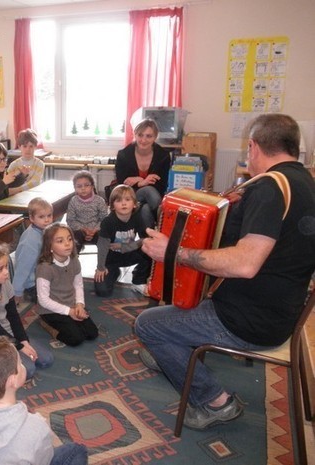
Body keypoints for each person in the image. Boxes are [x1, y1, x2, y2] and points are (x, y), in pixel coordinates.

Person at [135, 113, 315, 431]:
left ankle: (216, 401)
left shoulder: (270, 189)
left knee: (147, 325)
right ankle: (171, 352)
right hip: (281, 309)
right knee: (178, 308)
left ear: (253, 146)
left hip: (247, 320)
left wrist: (175, 253)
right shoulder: (304, 183)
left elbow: (245, 265)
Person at [0, 336, 88, 465]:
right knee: (77, 450)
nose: (23, 365)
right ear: (12, 381)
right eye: (20, 364)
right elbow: (44, 461)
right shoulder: (35, 427)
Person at [0, 243, 54, 380]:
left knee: (46, 360)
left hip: (8, 334)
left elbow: (13, 316)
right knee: (28, 371)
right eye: (0, 269)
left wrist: (23, 341)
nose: (6, 272)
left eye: (6, 267)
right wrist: (19, 347)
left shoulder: (5, 283)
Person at [36, 223, 98, 346]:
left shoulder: (74, 261)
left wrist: (80, 305)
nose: (67, 243)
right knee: (75, 339)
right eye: (60, 241)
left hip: (71, 304)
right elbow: (43, 300)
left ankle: (72, 317)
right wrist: (69, 312)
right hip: (50, 310)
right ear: (50, 246)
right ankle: (44, 322)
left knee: (92, 333)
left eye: (69, 239)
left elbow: (78, 285)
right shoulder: (45, 268)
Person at [94, 184, 151, 297]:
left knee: (150, 250)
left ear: (134, 204)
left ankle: (138, 281)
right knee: (102, 291)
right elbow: (102, 246)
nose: (123, 203)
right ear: (113, 206)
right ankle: (114, 272)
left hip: (129, 253)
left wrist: (124, 247)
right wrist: (100, 267)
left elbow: (146, 239)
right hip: (111, 259)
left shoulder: (137, 218)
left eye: (127, 200)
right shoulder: (108, 222)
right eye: (118, 200)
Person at [115, 118, 171, 229]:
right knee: (149, 190)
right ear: (135, 134)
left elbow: (161, 185)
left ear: (155, 137)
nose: (143, 140)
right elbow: (122, 184)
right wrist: (142, 182)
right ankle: (163, 221)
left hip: (154, 197)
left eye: (149, 136)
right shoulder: (124, 155)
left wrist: (138, 180)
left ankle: (146, 240)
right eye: (140, 135)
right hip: (129, 196)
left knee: (145, 209)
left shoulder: (163, 156)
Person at [13, 197, 53, 304]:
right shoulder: (30, 241)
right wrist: (17, 291)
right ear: (31, 218)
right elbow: (23, 268)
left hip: (42, 274)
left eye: (49, 215)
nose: (47, 220)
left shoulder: (44, 230)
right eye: (41, 217)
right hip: (33, 283)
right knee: (50, 304)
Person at [66, 170, 108, 253]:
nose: (83, 188)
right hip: (79, 230)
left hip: (96, 230)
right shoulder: (73, 201)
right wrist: (83, 229)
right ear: (75, 188)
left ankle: (103, 263)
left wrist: (95, 229)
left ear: (92, 186)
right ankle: (74, 260)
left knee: (104, 236)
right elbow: (70, 220)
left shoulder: (99, 201)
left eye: (86, 185)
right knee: (74, 237)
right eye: (79, 186)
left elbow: (105, 219)